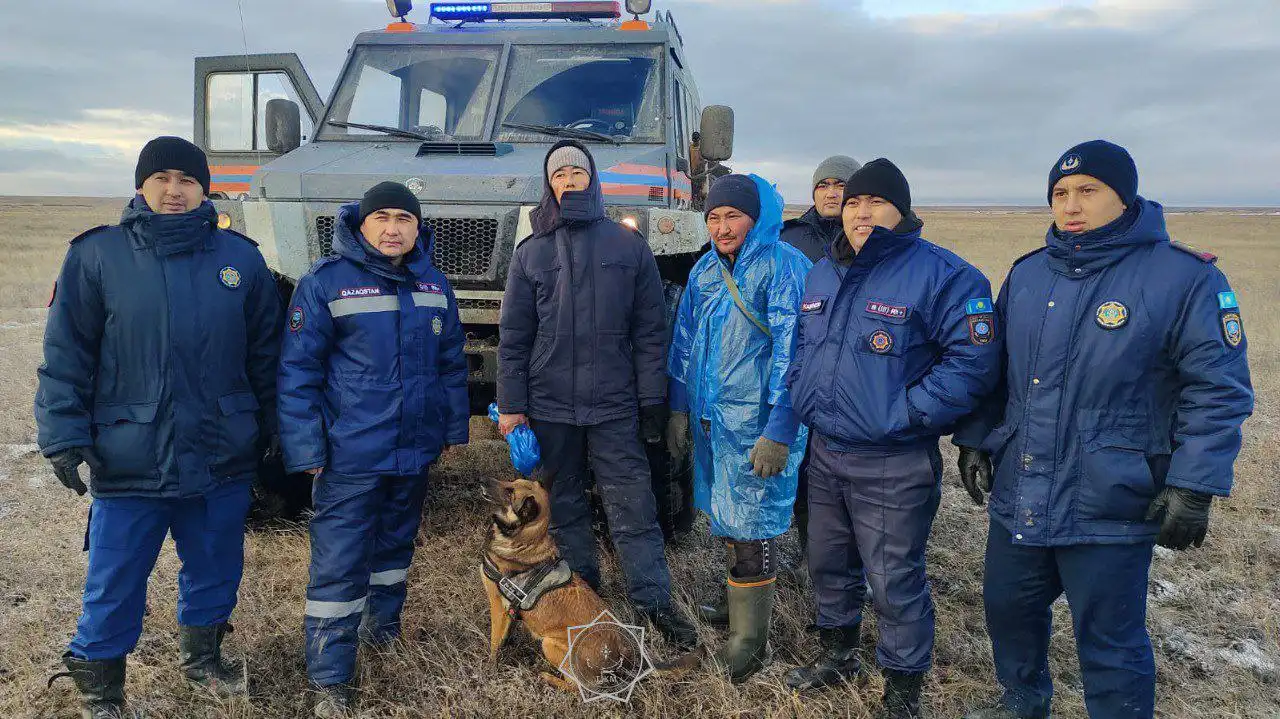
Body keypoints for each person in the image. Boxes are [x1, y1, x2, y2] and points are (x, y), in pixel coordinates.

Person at [954, 140, 1254, 719]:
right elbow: (996, 374)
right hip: (1022, 491)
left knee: (1112, 643)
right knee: (1008, 612)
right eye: (1060, 193)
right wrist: (976, 437)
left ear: (1125, 196)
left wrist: (1194, 484)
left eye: (1088, 191)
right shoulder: (1027, 275)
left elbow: (1218, 390)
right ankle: (1021, 703)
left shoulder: (1182, 279)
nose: (1072, 205)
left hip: (1111, 497)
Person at [36, 136, 282, 718]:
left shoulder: (241, 259)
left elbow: (268, 357)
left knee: (216, 563)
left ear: (205, 188)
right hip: (129, 454)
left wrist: (275, 427)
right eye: (162, 178)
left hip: (222, 451)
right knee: (115, 575)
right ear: (142, 185)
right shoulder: (97, 257)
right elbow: (66, 354)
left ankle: (204, 660)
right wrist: (64, 435)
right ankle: (101, 687)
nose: (174, 191)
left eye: (187, 180)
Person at [785, 159, 1002, 718]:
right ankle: (838, 652)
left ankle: (903, 688)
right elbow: (803, 348)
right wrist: (800, 394)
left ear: (901, 211)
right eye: (853, 203)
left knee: (893, 576)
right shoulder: (824, 272)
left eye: (875, 202)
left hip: (893, 459)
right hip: (826, 452)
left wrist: (904, 413)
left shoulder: (945, 275)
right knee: (828, 560)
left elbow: (972, 364)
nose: (860, 212)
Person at [495, 140, 697, 648]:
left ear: (593, 180)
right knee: (563, 506)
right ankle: (584, 594)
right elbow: (514, 338)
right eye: (558, 173)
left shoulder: (628, 248)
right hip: (550, 405)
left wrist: (653, 400)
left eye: (577, 171)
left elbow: (651, 333)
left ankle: (654, 603)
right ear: (549, 184)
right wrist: (513, 407)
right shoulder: (531, 252)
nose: (568, 179)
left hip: (614, 405)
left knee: (633, 505)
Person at [277, 181, 469, 716]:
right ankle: (330, 678)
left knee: (393, 551)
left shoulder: (433, 282)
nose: (392, 229)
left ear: (417, 226)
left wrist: (451, 432)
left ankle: (382, 634)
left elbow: (451, 363)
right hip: (350, 454)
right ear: (361, 224)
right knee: (340, 562)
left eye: (403, 219)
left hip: (412, 451)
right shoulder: (326, 283)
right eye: (381, 217)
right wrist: (306, 446)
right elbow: (297, 372)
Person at [666, 173, 811, 681]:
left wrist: (779, 428)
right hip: (714, 421)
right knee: (727, 514)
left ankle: (749, 641)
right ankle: (735, 603)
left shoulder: (785, 267)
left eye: (733, 216)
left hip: (759, 424)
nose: (723, 227)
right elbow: (683, 343)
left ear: (757, 218)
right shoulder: (706, 270)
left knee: (752, 523)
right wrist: (679, 408)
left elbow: (795, 355)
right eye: (714, 217)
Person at [776, 154, 861, 582]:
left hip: (854, 376)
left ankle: (848, 562)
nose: (831, 192)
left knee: (849, 475)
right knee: (804, 468)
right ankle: (811, 554)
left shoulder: (870, 240)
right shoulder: (789, 239)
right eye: (823, 185)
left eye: (841, 184)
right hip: (801, 370)